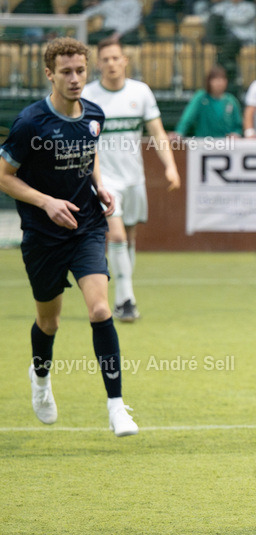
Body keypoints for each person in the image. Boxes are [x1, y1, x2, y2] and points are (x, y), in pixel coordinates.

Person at [0, 37, 139, 437]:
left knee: (99, 310)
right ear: (49, 74)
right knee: (50, 323)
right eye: (66, 72)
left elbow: (89, 151)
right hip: (44, 235)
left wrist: (100, 184)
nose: (75, 78)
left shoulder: (95, 114)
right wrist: (45, 202)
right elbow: (4, 177)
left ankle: (116, 407)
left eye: (80, 70)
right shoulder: (30, 123)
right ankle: (41, 379)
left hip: (87, 226)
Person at [82, 37, 181, 322]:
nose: (112, 64)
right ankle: (126, 299)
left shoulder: (141, 92)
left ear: (125, 61)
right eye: (106, 59)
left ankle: (124, 292)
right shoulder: (89, 96)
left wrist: (171, 167)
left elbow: (158, 133)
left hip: (134, 179)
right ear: (98, 64)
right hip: (105, 180)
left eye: (116, 58)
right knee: (115, 235)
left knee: (130, 237)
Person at [173, 65, 243, 138]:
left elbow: (238, 125)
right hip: (205, 143)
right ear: (209, 81)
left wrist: (236, 133)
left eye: (222, 79)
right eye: (216, 79)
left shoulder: (231, 101)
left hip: (226, 145)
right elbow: (188, 117)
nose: (219, 83)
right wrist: (179, 132)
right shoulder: (201, 97)